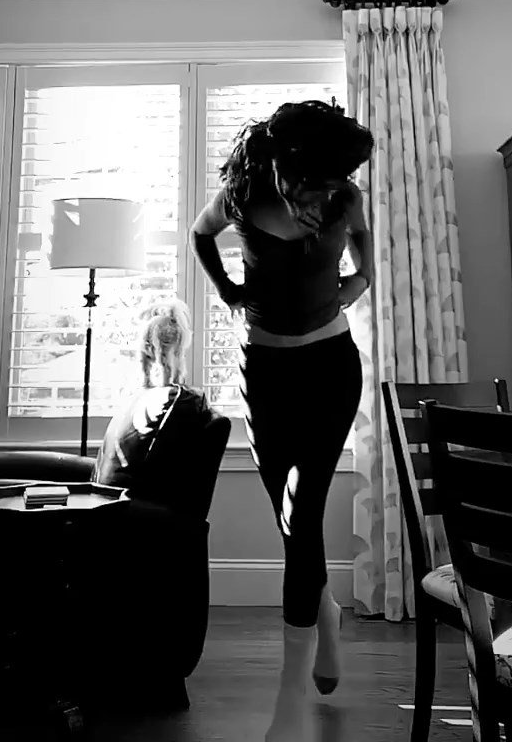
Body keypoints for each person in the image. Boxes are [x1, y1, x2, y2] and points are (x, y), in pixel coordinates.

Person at [189, 99, 374, 742]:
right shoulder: (242, 195)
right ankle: (326, 615)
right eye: (317, 180)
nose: (328, 192)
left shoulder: (345, 199)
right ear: (285, 165)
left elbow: (364, 260)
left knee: (303, 508)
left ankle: (290, 696)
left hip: (330, 367)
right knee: (290, 520)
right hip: (263, 373)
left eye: (336, 181)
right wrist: (227, 292)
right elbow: (199, 234)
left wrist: (352, 287)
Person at [94, 298, 212, 502]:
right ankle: (169, 378)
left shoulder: (149, 338)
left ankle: (162, 378)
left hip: (133, 501)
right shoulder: (167, 337)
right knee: (169, 361)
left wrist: (151, 382)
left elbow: (147, 360)